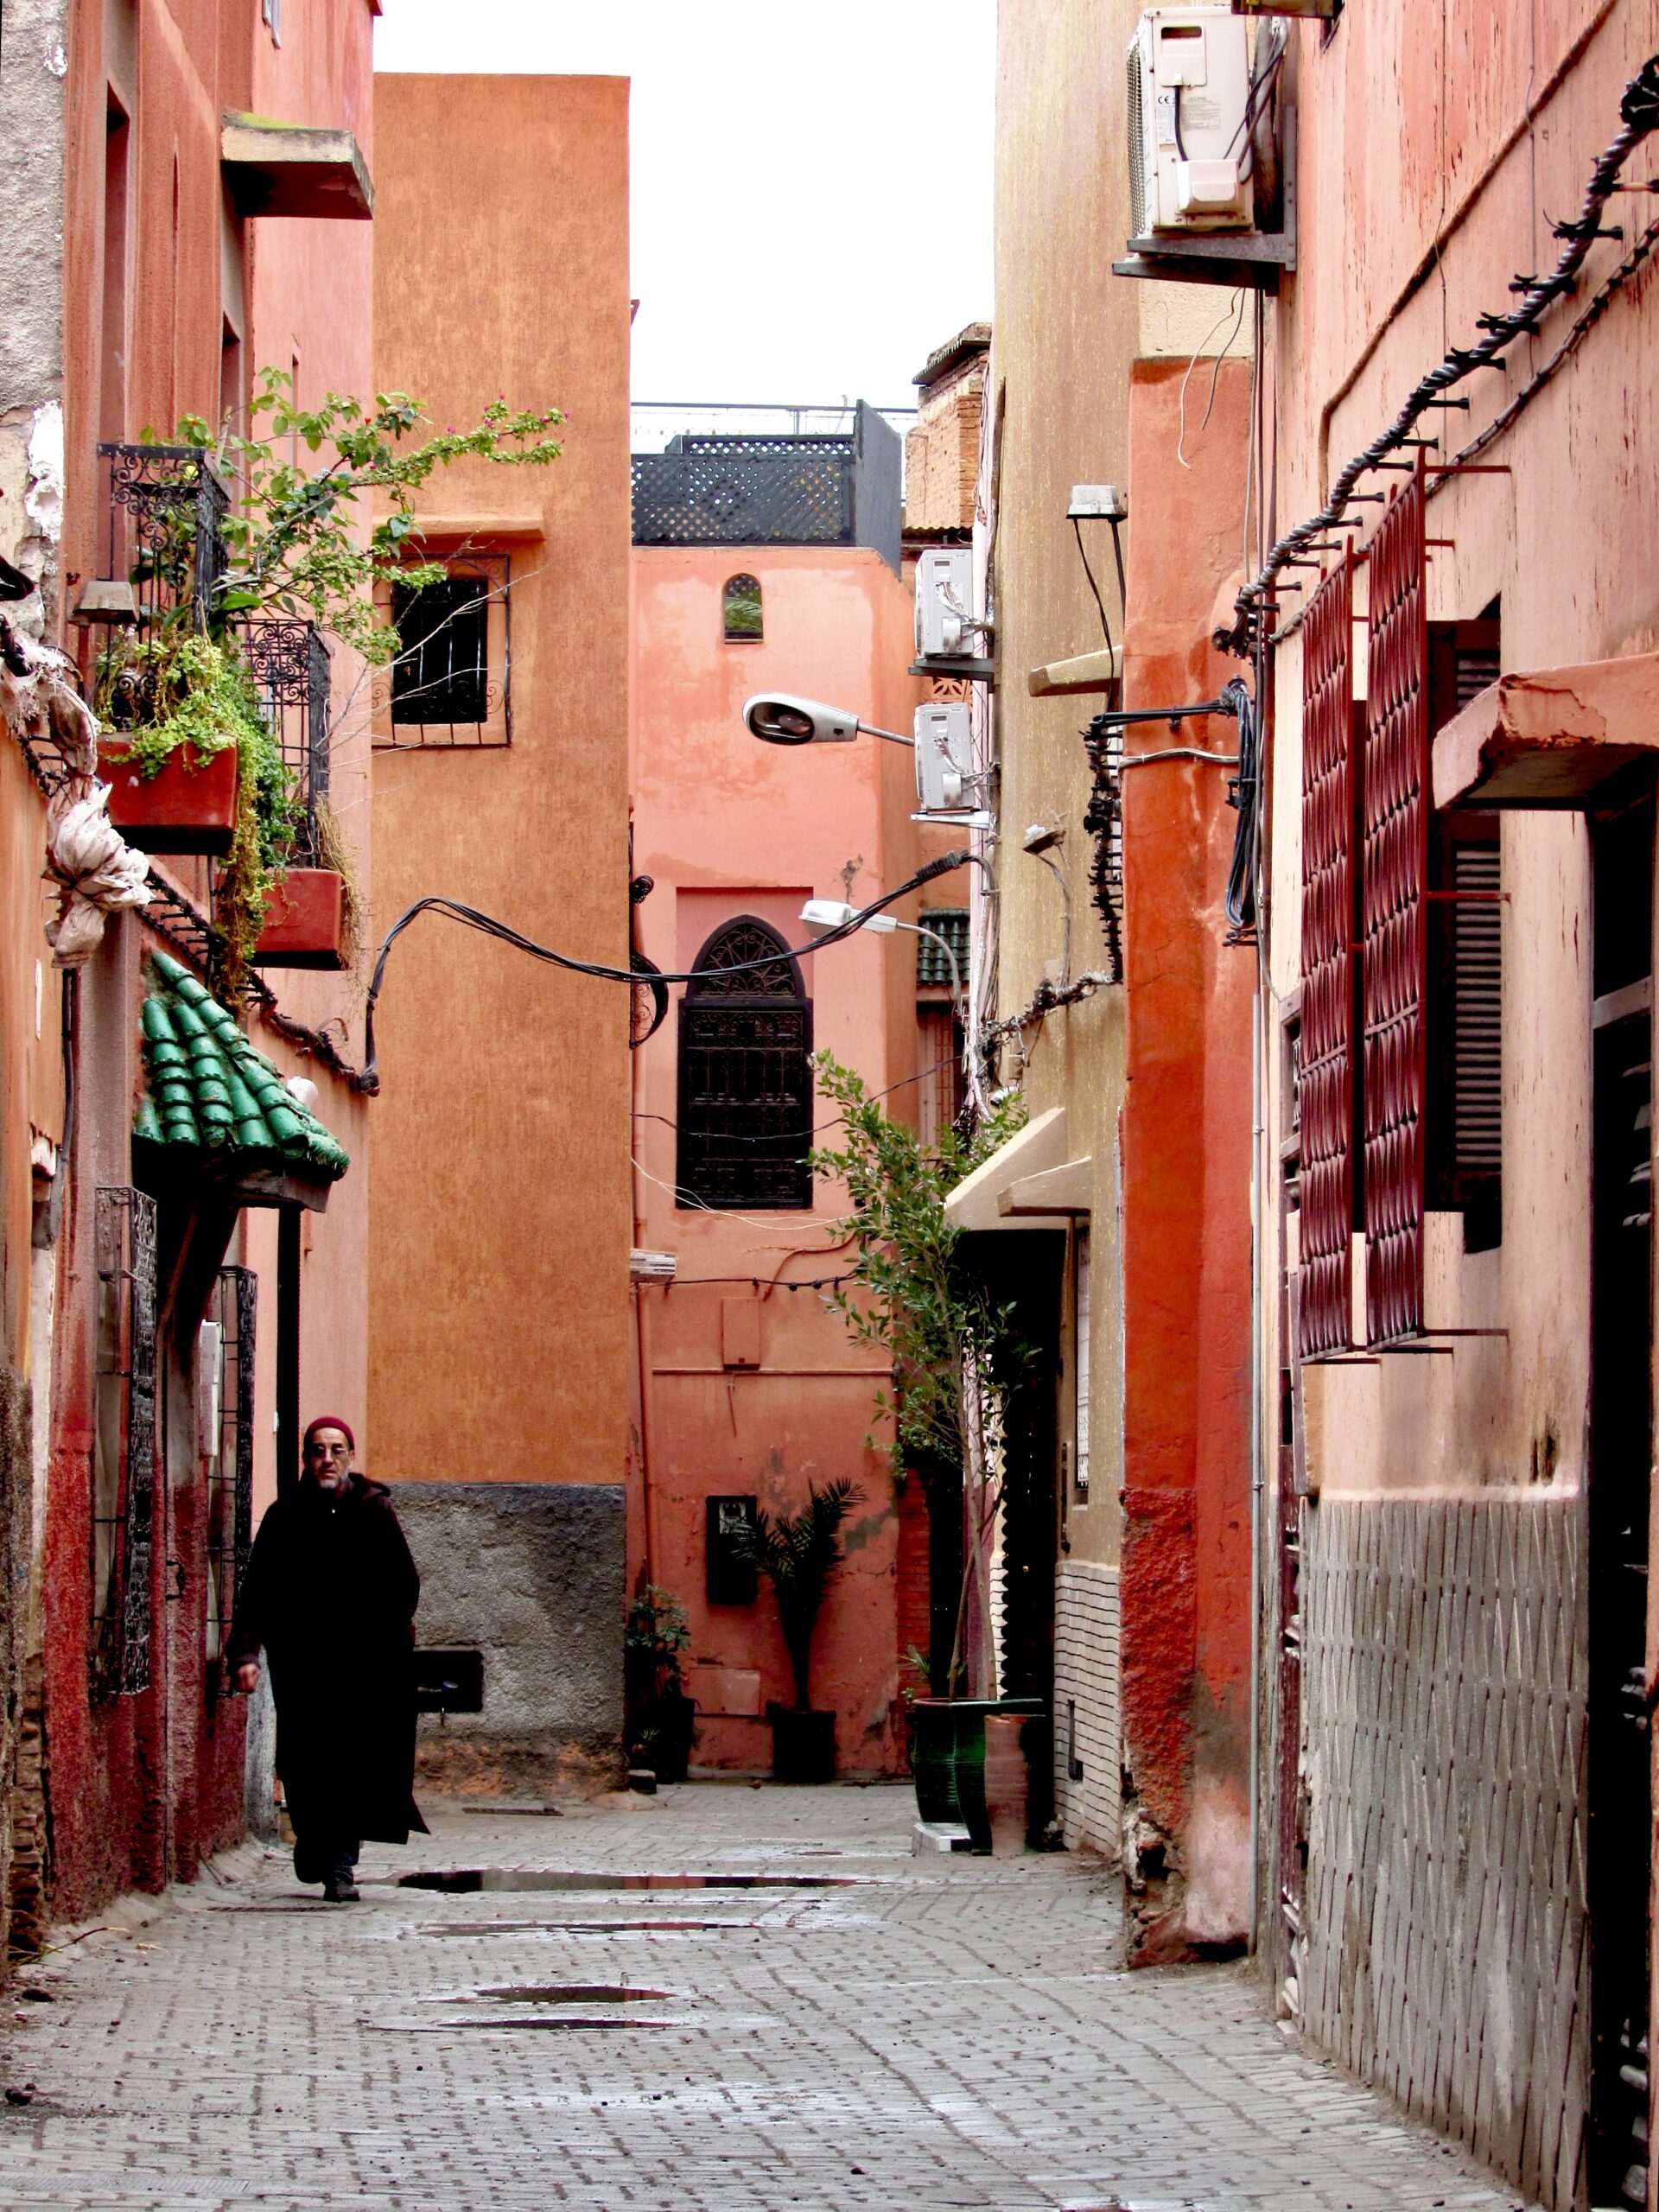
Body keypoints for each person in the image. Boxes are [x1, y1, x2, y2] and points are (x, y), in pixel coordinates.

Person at [228, 1416, 427, 1903]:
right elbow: (258, 1592)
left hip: (361, 1668)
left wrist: (384, 1641)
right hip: (302, 1668)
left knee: (349, 1762)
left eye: (337, 1450)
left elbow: (404, 1585)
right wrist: (248, 1652)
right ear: (306, 1459)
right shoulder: (285, 1517)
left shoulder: (373, 1511)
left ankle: (340, 1865)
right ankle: (314, 1841)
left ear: (351, 1457)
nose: (327, 1459)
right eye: (318, 1450)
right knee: (301, 1761)